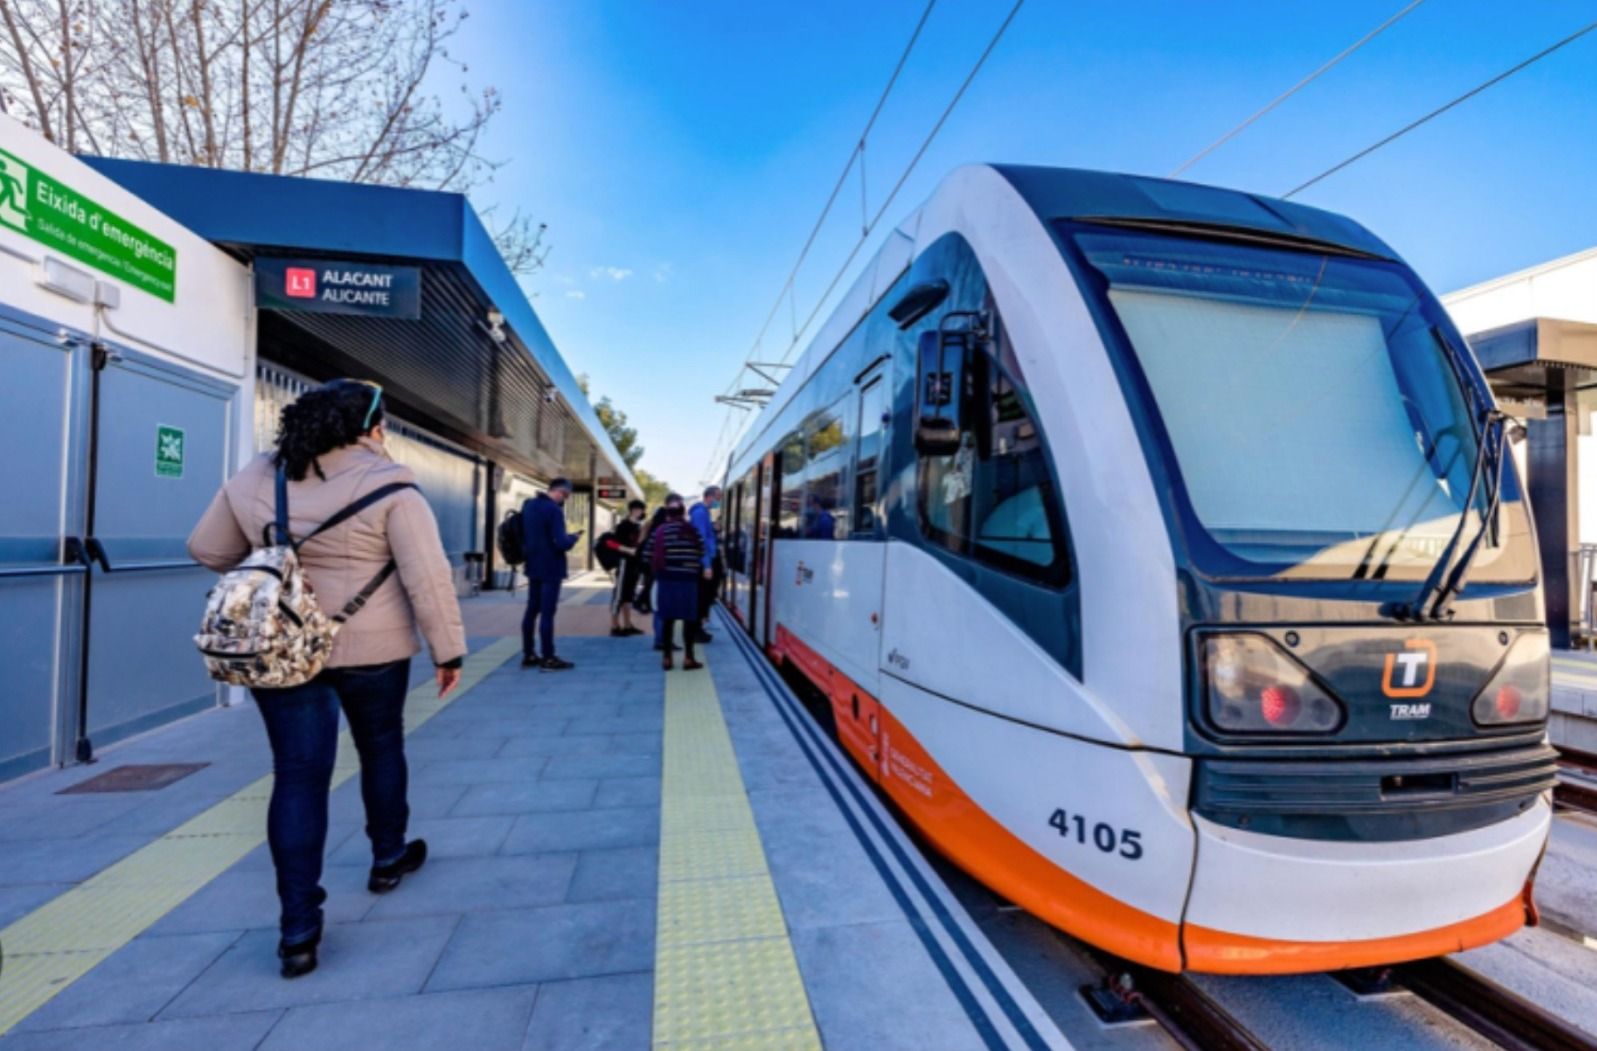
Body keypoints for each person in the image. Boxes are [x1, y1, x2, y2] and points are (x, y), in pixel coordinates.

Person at [188, 379, 466, 979]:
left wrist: (281, 560)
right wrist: (450, 652)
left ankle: (297, 931)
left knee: (297, 776)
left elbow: (206, 549)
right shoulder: (392, 484)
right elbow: (428, 577)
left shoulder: (258, 475)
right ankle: (388, 856)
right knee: (381, 747)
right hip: (373, 647)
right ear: (369, 427)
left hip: (282, 652)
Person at [520, 478, 582, 669]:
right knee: (547, 613)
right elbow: (561, 542)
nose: (565, 499)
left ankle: (529, 654)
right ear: (563, 492)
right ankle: (548, 656)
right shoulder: (554, 510)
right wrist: (574, 538)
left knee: (532, 610)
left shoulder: (529, 506)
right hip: (551, 567)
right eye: (567, 496)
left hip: (532, 564)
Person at [642, 497, 706, 670]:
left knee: (668, 620)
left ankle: (667, 658)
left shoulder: (660, 531)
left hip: (666, 580)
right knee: (689, 621)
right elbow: (702, 550)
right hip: (688, 582)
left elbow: (646, 554)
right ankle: (688, 658)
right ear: (684, 513)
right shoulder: (692, 530)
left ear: (667, 515)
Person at [604, 500, 648, 637]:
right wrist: (627, 550)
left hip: (634, 565)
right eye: (636, 509)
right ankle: (614, 625)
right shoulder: (623, 526)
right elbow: (610, 542)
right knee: (619, 594)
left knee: (628, 596)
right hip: (624, 563)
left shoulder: (638, 527)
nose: (638, 512)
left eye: (640, 510)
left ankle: (628, 624)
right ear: (631, 510)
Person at [688, 486, 722, 643]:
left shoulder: (702, 513)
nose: (718, 501)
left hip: (704, 560)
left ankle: (698, 629)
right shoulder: (700, 513)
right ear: (709, 497)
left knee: (703, 596)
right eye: (717, 497)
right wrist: (707, 565)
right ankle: (696, 631)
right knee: (702, 597)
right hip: (703, 561)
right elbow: (700, 540)